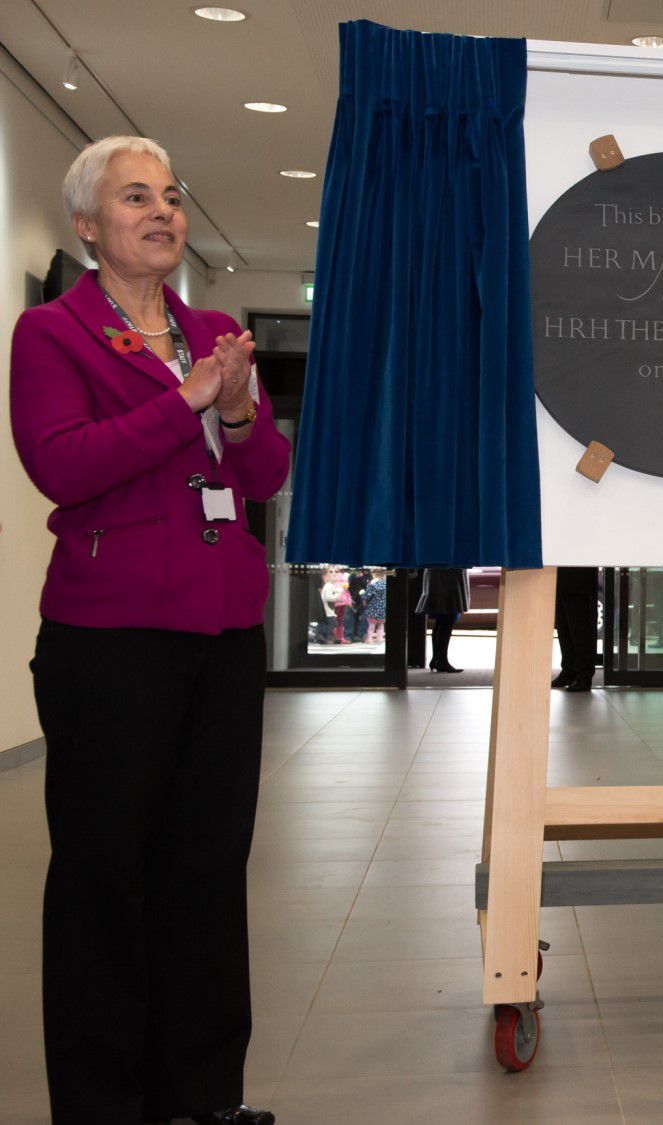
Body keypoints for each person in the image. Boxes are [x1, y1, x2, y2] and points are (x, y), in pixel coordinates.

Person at [10, 136, 288, 1124]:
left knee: (208, 870)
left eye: (170, 195)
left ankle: (203, 1097)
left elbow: (261, 479)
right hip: (109, 640)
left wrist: (245, 414)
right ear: (87, 226)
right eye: (136, 197)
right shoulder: (51, 336)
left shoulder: (210, 328)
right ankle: (103, 1104)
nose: (162, 210)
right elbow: (64, 465)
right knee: (104, 876)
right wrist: (188, 402)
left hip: (220, 634)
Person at [553, 566, 599, 691]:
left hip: (579, 575)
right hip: (562, 573)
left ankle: (583, 676)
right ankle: (569, 671)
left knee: (580, 629)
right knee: (564, 628)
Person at [417, 566, 469, 673]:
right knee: (448, 617)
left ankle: (437, 658)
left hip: (438, 571)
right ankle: (441, 660)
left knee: (442, 619)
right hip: (448, 572)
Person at [364, 568, 389, 644]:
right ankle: (380, 638)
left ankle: (370, 639)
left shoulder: (372, 585)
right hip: (382, 607)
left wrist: (362, 594)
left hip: (373, 607)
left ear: (374, 574)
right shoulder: (385, 584)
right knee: (381, 624)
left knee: (372, 625)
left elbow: (367, 596)